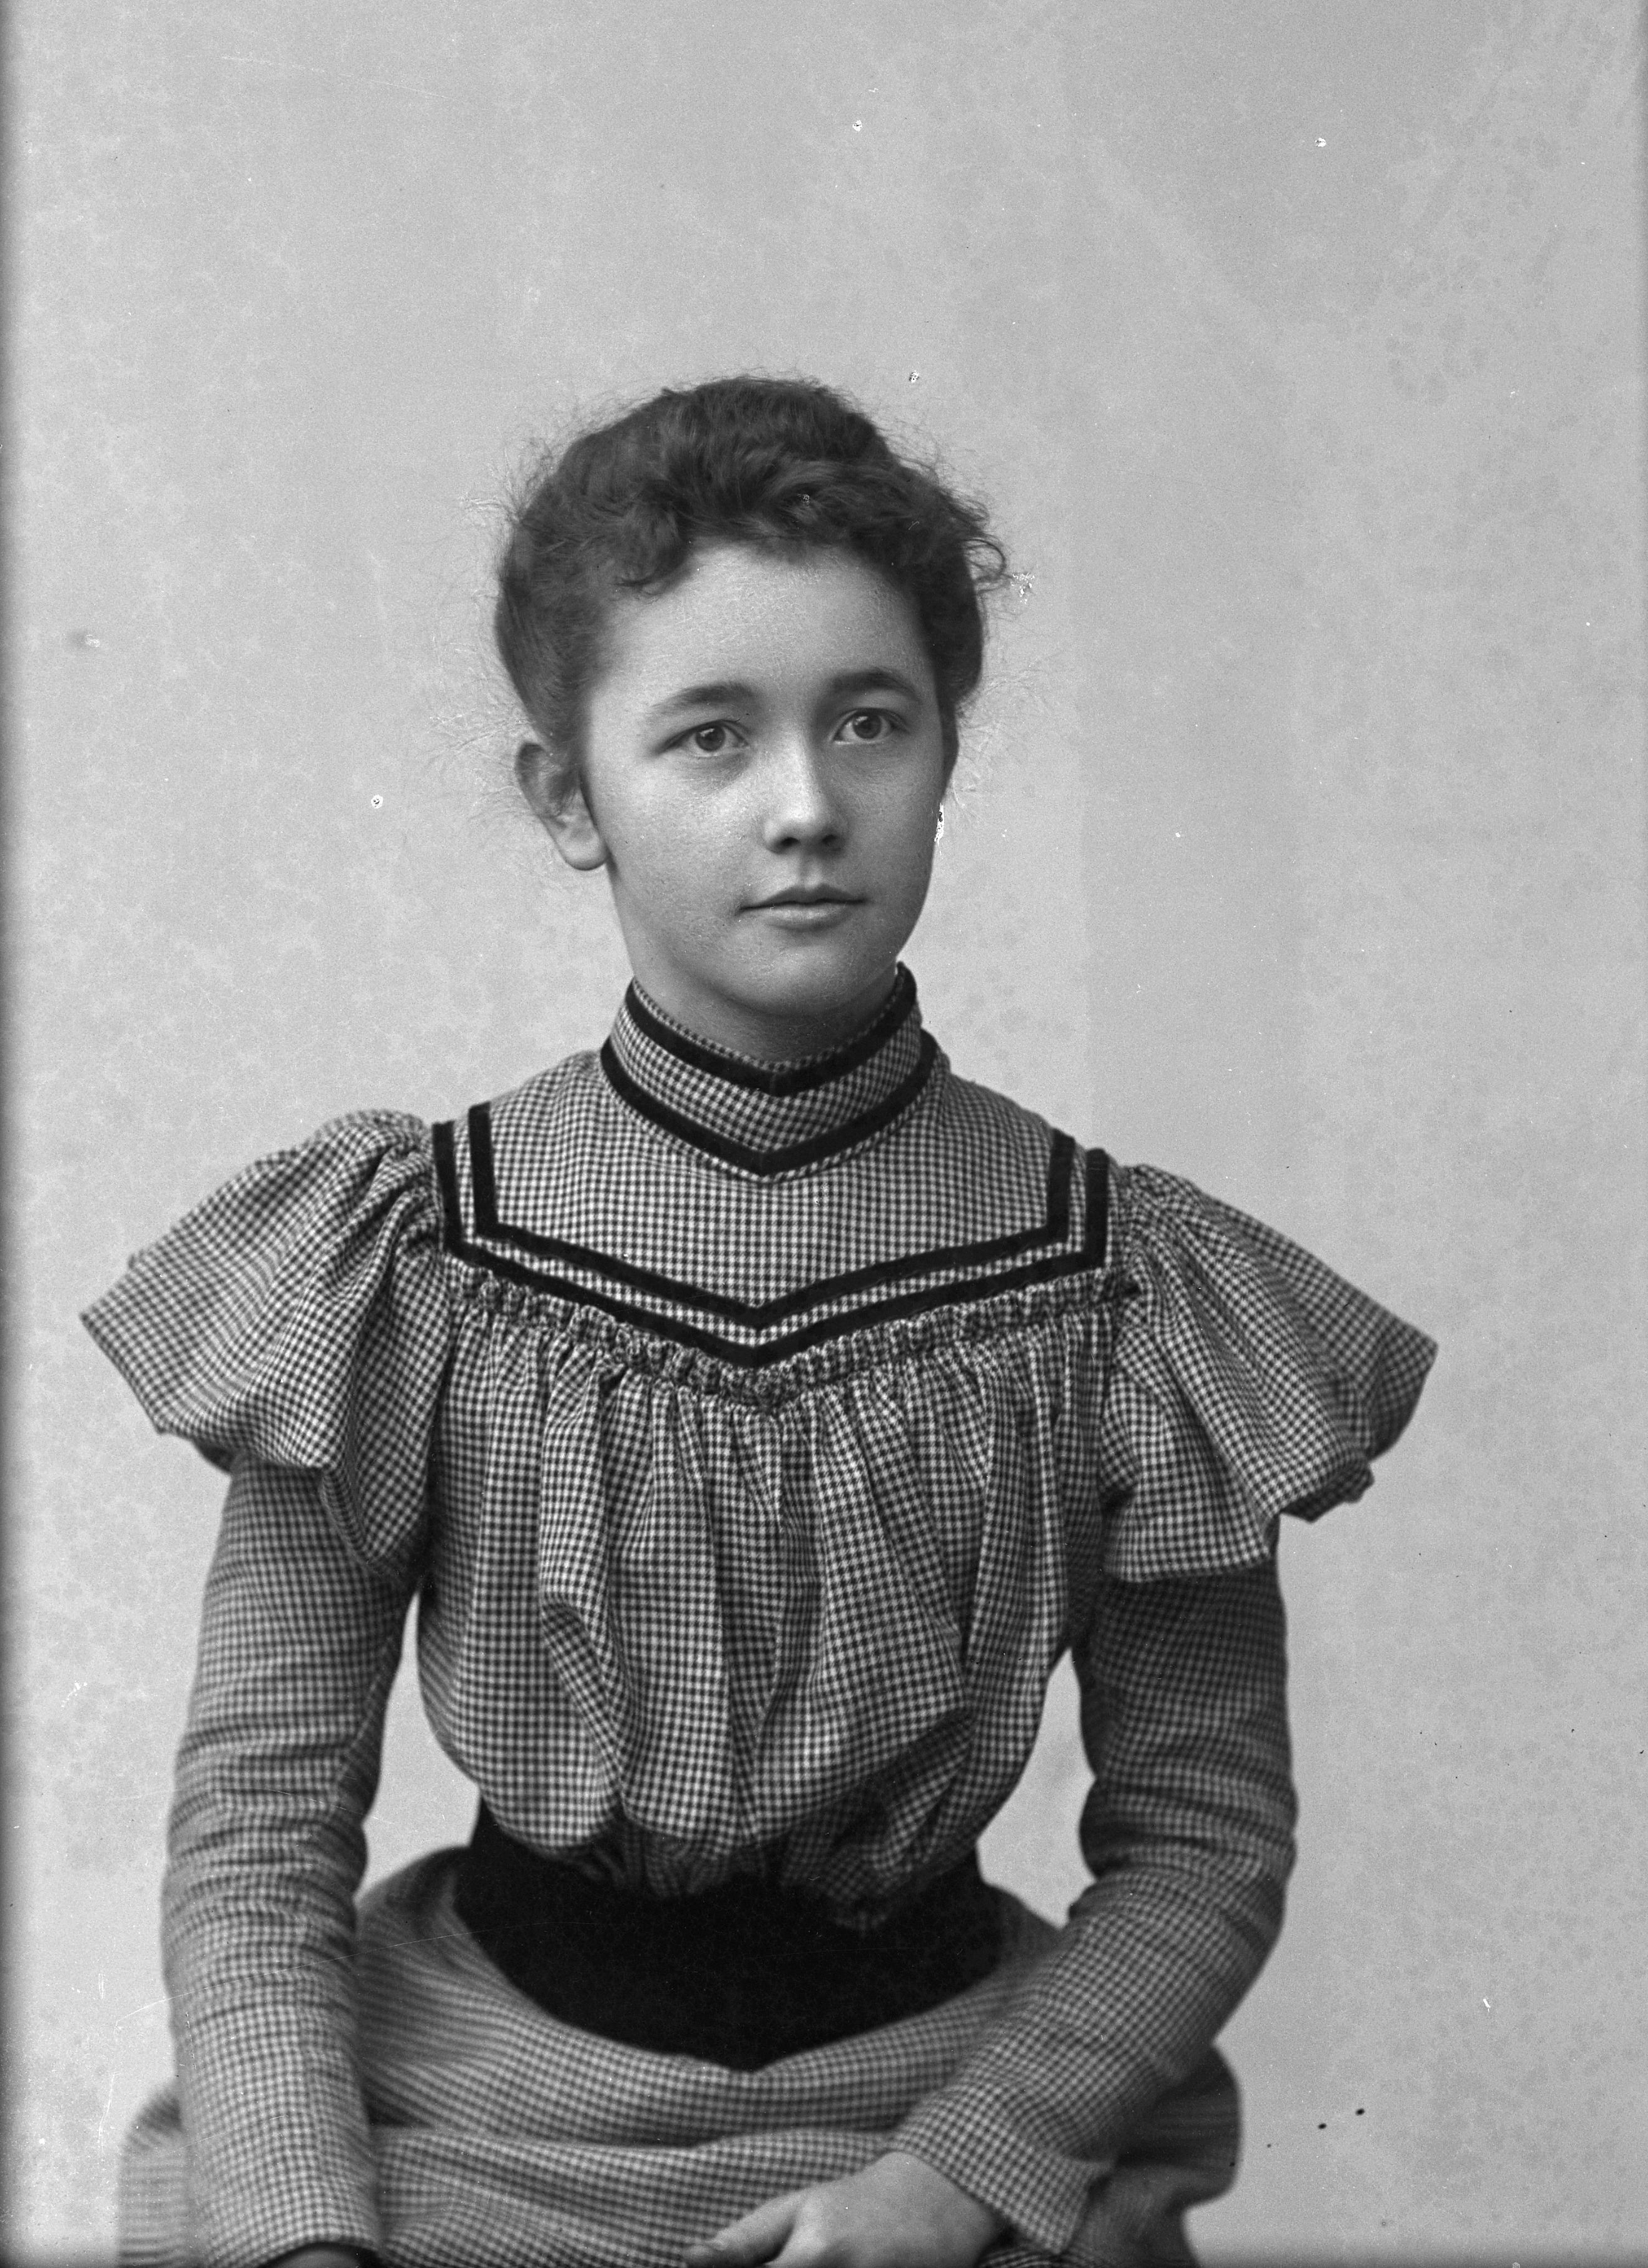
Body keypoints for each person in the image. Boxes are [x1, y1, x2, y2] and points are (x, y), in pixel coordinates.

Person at [85, 375, 1435, 2268]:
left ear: (945, 752)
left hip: (940, 2120)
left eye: (869, 722)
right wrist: (311, 2239)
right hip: (481, 2119)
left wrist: (948, 2185)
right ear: (571, 797)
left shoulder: (1115, 1286)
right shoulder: (414, 1257)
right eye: (710, 737)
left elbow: (1204, 1838)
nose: (804, 809)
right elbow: (256, 1819)